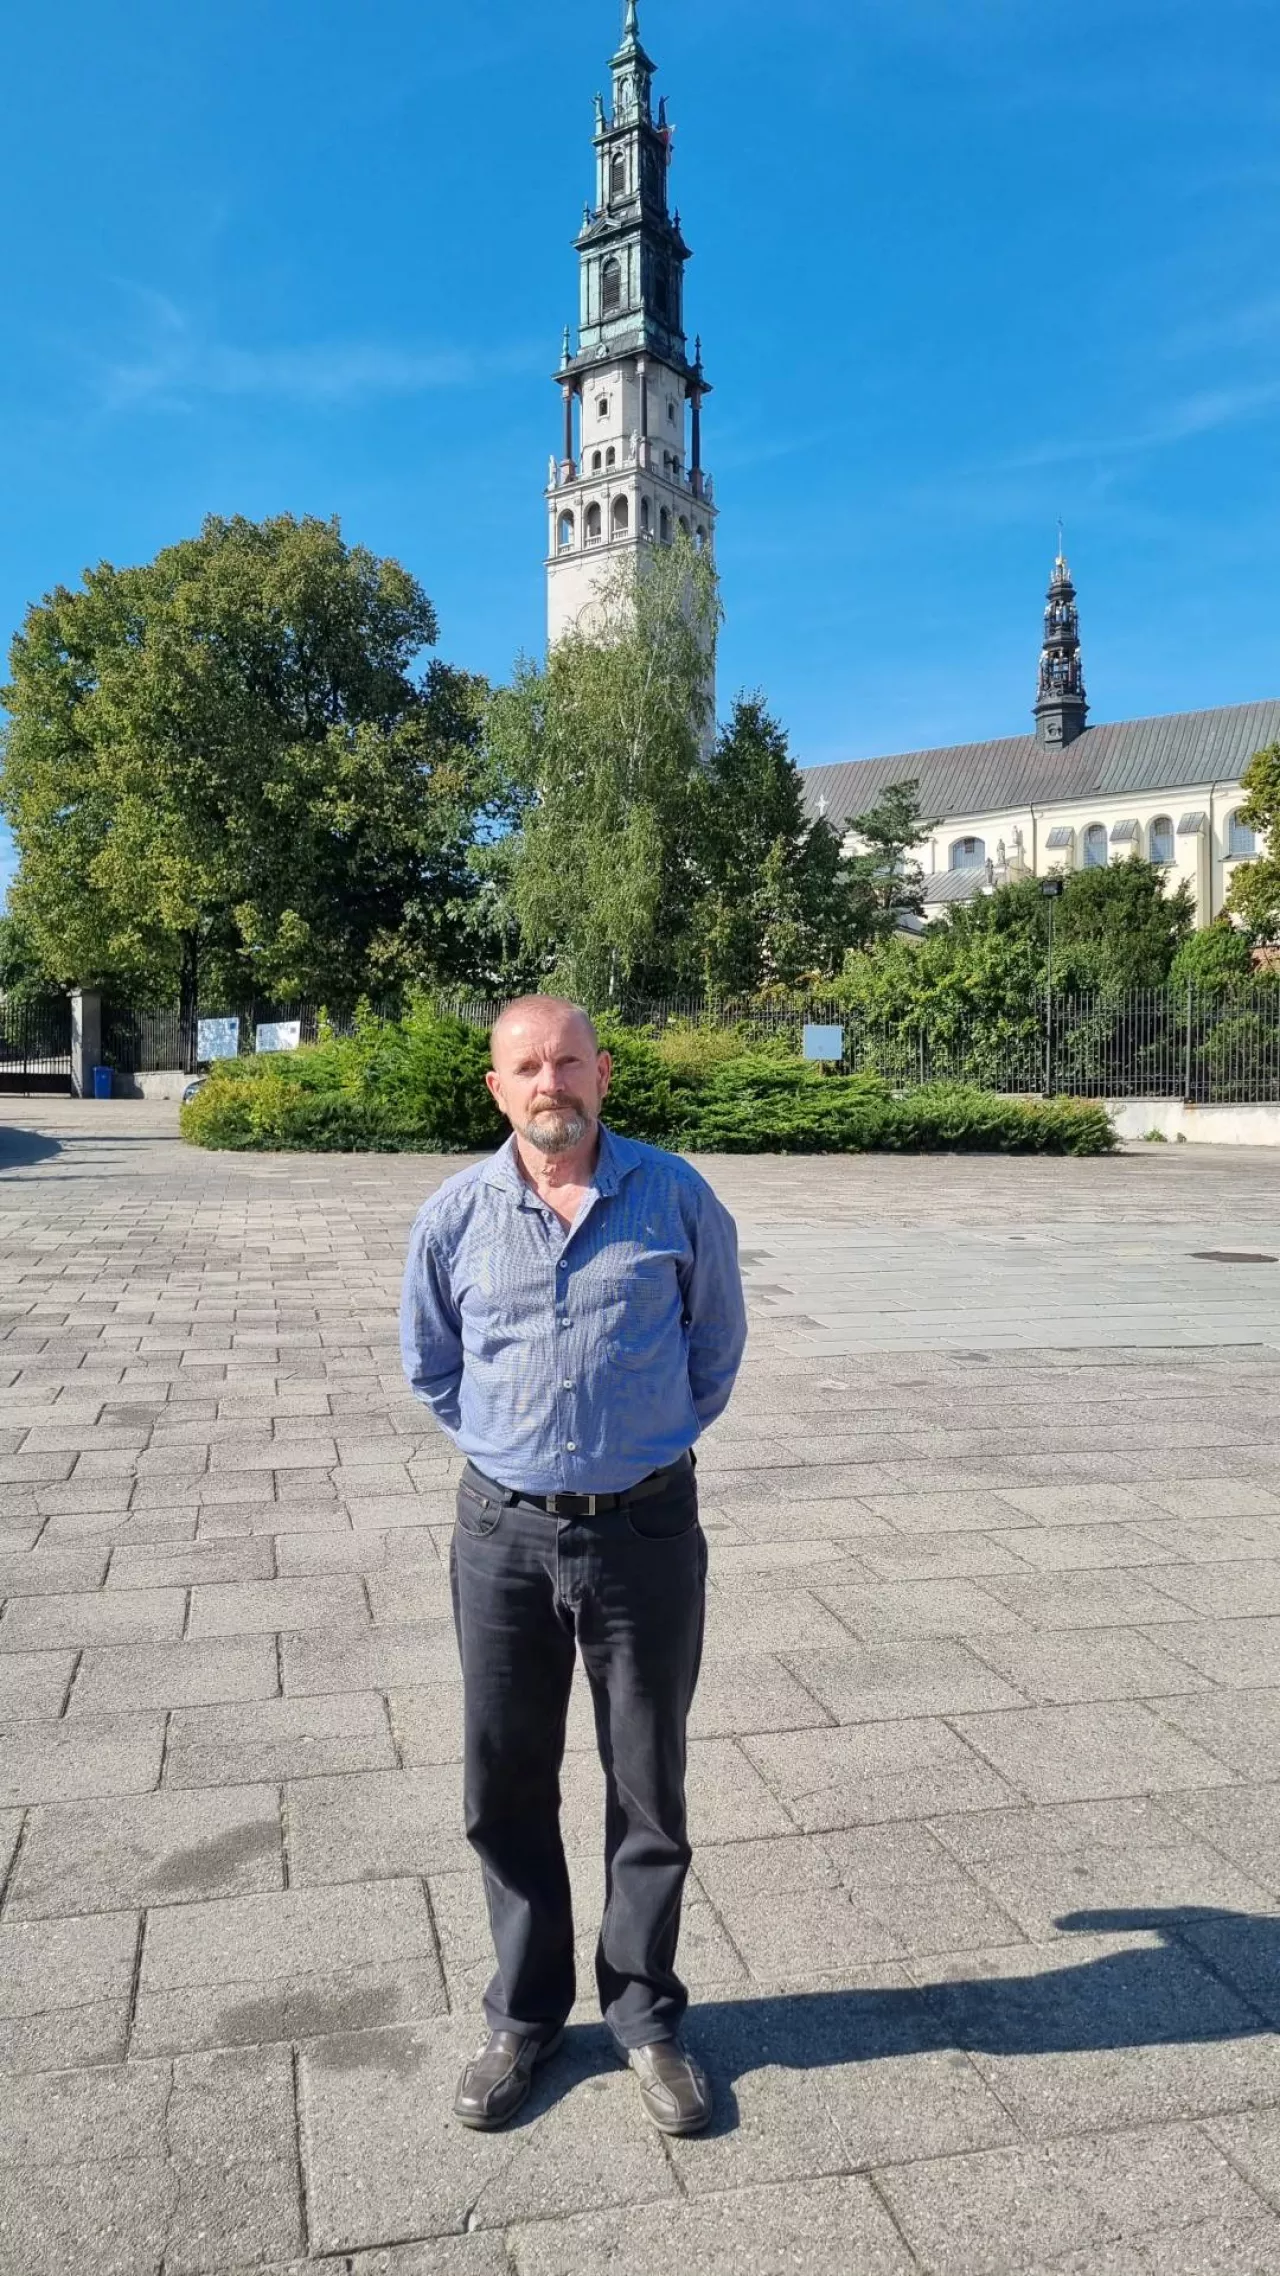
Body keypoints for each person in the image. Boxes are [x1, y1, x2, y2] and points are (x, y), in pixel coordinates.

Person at [400, 995, 746, 2135]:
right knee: (503, 1779)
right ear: (497, 1089)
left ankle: (644, 2015)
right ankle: (525, 2014)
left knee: (648, 1781)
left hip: (644, 1531)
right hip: (501, 1535)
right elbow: (432, 1363)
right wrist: (518, 1455)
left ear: (602, 1073)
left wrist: (636, 1445)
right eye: (528, 1067)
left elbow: (715, 1345)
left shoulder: (676, 1196)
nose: (551, 1082)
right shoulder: (455, 1214)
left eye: (568, 1062)